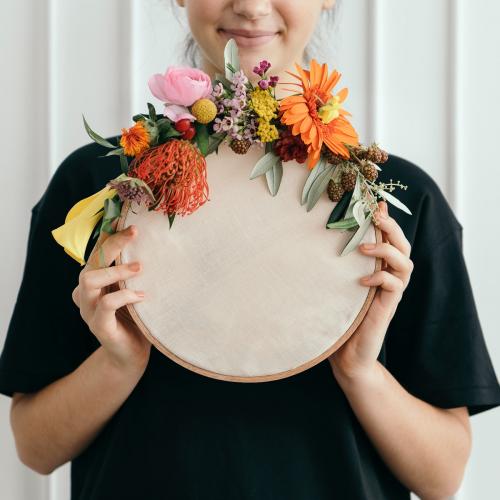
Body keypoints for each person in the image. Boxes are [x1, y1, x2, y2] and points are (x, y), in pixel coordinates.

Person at [1, 1, 500, 499]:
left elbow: (443, 477)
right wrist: (118, 363)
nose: (251, 5)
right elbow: (35, 448)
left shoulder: (397, 202)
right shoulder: (101, 189)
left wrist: (359, 370)